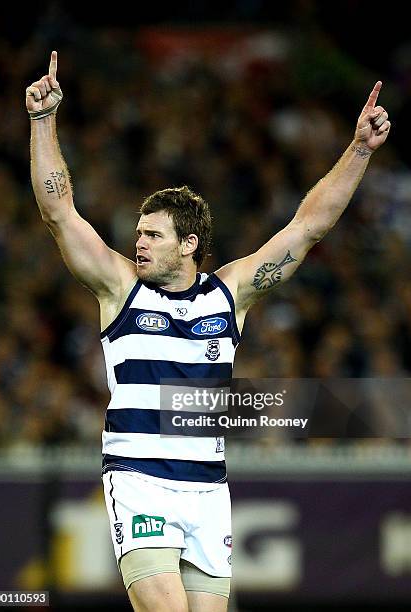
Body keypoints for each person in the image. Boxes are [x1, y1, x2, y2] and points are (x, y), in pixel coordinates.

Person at [26, 51, 390, 612]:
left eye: (153, 234)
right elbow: (59, 213)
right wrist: (42, 121)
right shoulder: (121, 290)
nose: (138, 242)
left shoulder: (229, 294)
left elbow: (309, 225)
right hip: (139, 478)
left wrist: (360, 150)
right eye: (139, 233)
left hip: (207, 490)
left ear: (188, 244)